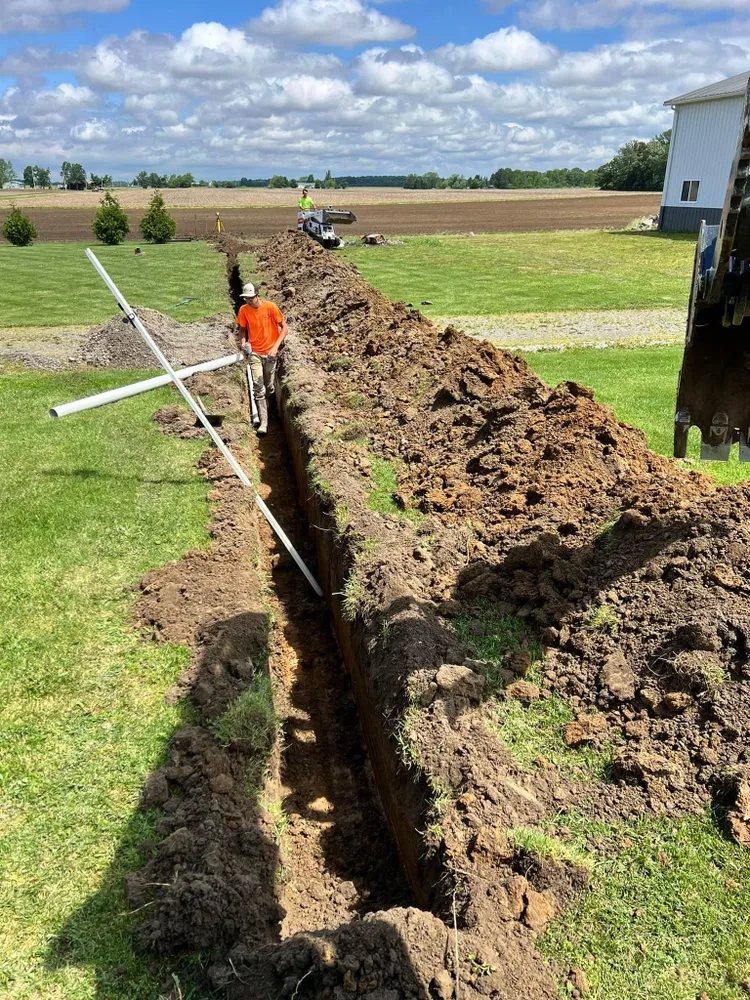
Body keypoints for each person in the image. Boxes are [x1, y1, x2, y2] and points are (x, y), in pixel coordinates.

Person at [236, 282, 288, 436]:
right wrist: (244, 343)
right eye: (246, 298)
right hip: (255, 354)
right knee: (259, 388)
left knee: (270, 387)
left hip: (270, 354)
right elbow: (242, 330)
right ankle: (264, 423)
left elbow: (285, 328)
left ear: (257, 295)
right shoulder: (243, 310)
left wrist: (275, 347)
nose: (248, 301)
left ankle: (271, 411)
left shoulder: (270, 307)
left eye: (251, 298)